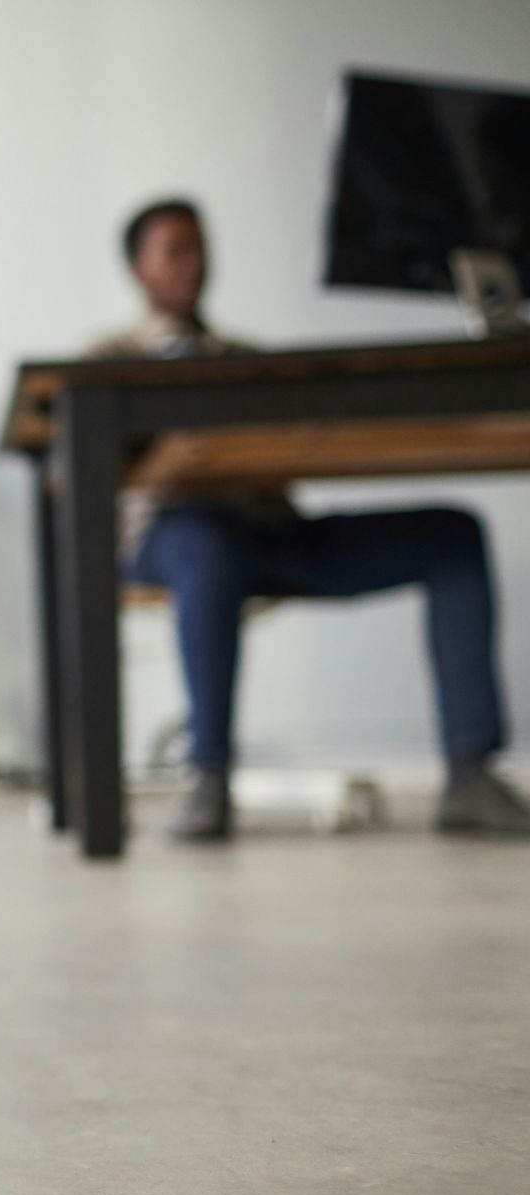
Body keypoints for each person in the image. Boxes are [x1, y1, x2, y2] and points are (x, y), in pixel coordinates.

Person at [96, 197, 530, 842]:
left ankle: (471, 773)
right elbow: (72, 474)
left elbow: (292, 455)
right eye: (175, 250)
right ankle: (208, 776)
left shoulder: (247, 359)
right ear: (139, 269)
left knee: (452, 534)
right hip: (171, 539)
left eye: (200, 246)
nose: (195, 263)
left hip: (271, 533)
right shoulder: (107, 360)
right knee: (206, 544)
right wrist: (176, 458)